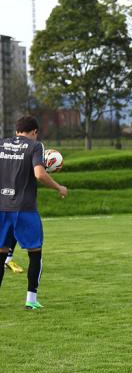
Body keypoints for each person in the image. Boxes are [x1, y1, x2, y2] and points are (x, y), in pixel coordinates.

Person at [0, 116, 68, 310]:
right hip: (24, 208)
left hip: (1, 207)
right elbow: (39, 174)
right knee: (35, 253)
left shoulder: (2, 144)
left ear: (17, 130)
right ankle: (31, 300)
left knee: (1, 253)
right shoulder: (35, 146)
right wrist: (58, 187)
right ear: (34, 132)